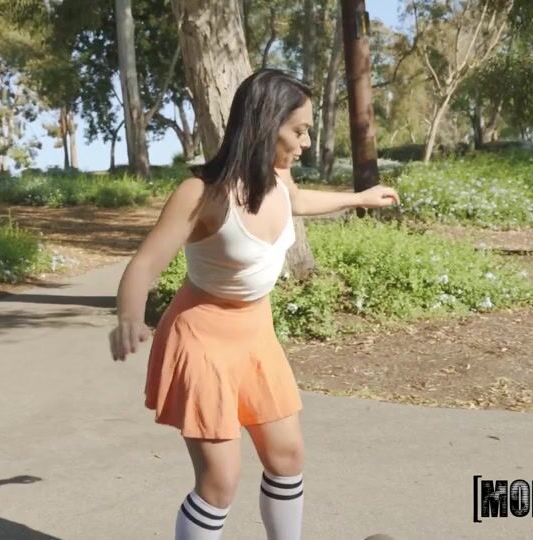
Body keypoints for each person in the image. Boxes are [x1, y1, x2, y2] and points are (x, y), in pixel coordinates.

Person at [108, 68, 400, 540]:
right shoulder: (202, 193)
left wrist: (359, 198)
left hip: (256, 336)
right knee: (219, 482)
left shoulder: (279, 178)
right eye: (299, 131)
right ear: (267, 124)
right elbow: (144, 264)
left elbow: (297, 201)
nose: (306, 142)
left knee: (287, 456)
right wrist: (129, 317)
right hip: (202, 340)